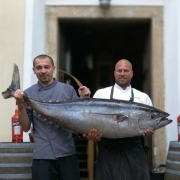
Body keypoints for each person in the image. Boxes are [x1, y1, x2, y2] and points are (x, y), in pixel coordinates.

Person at [13, 54, 90, 180]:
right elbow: (26, 127)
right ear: (34, 70)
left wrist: (83, 99)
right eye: (39, 67)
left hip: (67, 153)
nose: (43, 71)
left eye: (46, 67)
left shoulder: (68, 90)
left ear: (53, 68)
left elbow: (79, 121)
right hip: (42, 155)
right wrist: (20, 104)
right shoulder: (28, 93)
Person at [83, 59, 154, 180]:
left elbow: (150, 123)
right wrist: (91, 135)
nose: (122, 73)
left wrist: (148, 131)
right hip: (107, 151)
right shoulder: (101, 94)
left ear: (132, 73)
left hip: (134, 150)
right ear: (114, 72)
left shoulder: (143, 97)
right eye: (119, 70)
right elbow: (91, 120)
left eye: (126, 71)